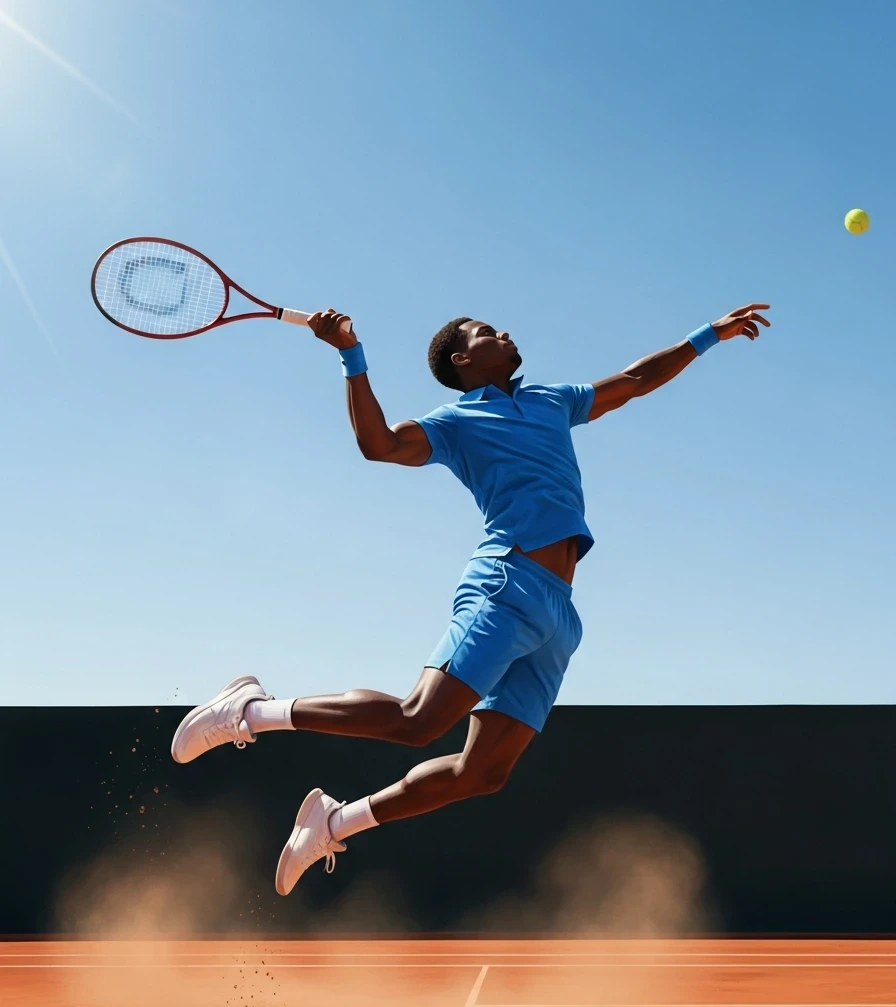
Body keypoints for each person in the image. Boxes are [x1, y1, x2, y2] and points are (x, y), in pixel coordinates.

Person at [171, 302, 770, 895]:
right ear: (463, 359)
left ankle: (334, 820)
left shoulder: (553, 400)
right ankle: (249, 711)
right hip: (506, 583)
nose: (506, 331)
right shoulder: (455, 422)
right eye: (489, 331)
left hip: (560, 615)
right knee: (418, 721)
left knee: (482, 773)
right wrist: (351, 355)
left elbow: (637, 381)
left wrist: (709, 334)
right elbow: (378, 445)